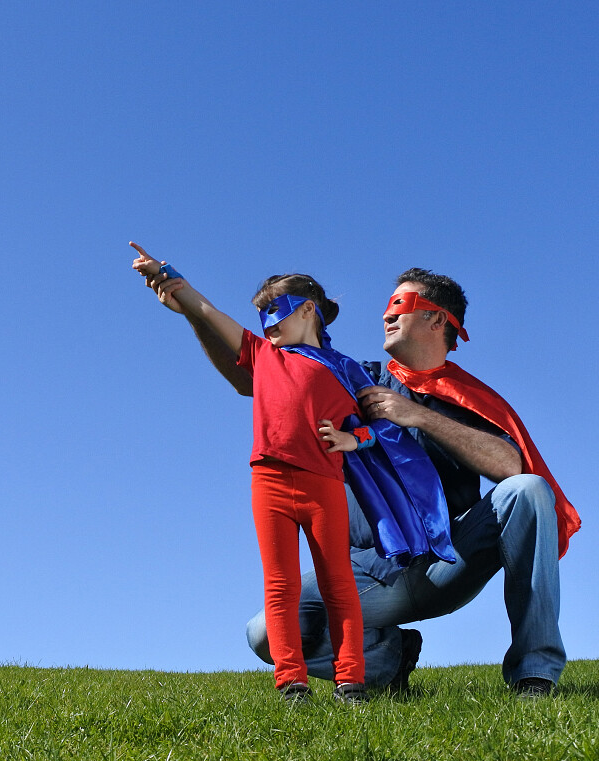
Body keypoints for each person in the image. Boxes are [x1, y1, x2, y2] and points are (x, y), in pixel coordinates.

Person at [240, 268, 581, 697]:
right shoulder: (350, 377)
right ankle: (388, 660)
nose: (386, 316)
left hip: (444, 562)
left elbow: (513, 467)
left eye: (401, 305)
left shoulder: (467, 399)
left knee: (529, 491)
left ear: (438, 321)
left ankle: (535, 672)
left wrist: (417, 416)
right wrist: (194, 312)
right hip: (365, 569)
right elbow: (255, 375)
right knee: (263, 634)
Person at [129, 241, 377, 705]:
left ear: (307, 310)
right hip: (269, 482)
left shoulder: (349, 370)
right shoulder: (263, 354)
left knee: (338, 581)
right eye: (260, 315)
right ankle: (292, 683)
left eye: (274, 311)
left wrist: (354, 440)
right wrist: (167, 274)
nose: (267, 323)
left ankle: (351, 681)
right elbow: (207, 309)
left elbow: (381, 427)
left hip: (325, 485)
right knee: (278, 584)